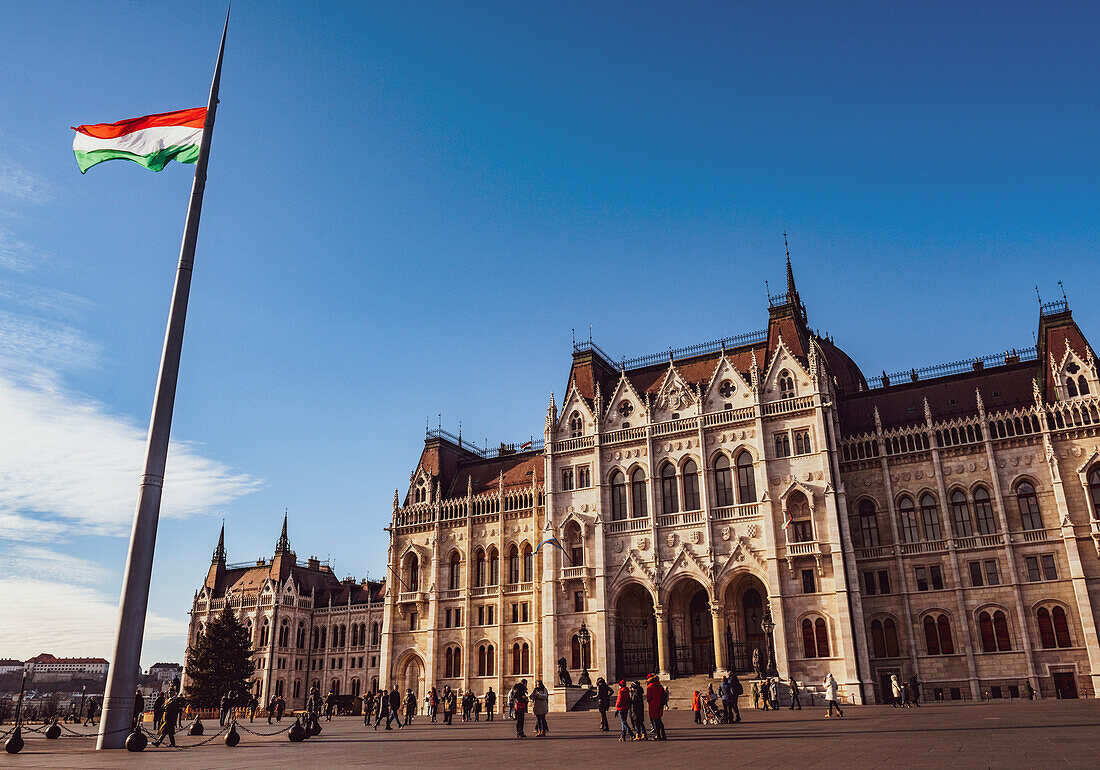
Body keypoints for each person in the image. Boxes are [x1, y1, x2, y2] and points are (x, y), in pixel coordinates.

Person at [645, 674, 667, 741]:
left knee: (655, 721)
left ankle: (658, 735)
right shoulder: (659, 685)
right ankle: (663, 735)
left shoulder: (650, 686)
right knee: (659, 720)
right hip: (660, 704)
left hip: (653, 705)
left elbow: (648, 697)